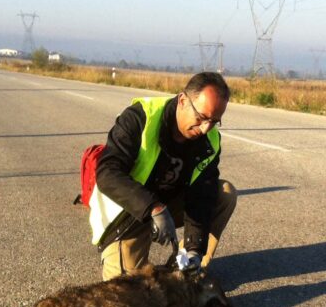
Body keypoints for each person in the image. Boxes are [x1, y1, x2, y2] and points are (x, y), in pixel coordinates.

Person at [88, 72, 237, 281]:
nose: (205, 129)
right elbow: (107, 173)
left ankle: (187, 268)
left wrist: (195, 247)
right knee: (129, 295)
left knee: (224, 193)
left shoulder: (210, 140)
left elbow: (202, 195)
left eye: (214, 121)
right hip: (128, 213)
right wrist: (153, 207)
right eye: (202, 118)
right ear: (183, 100)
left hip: (169, 207)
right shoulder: (140, 118)